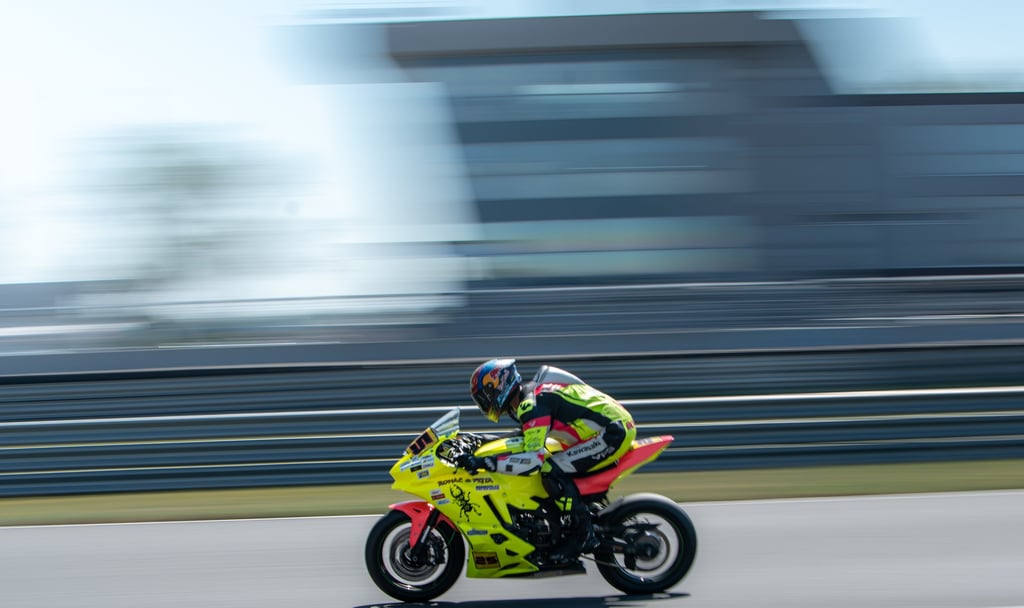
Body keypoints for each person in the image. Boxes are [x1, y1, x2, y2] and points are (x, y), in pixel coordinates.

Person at [460, 357, 637, 562]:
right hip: (597, 431)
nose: (484, 402)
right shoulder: (527, 399)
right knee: (551, 465)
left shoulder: (531, 404)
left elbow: (532, 461)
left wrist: (486, 463)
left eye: (485, 396)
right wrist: (480, 443)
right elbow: (521, 436)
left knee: (550, 469)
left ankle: (583, 535)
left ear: (499, 386)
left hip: (611, 433)